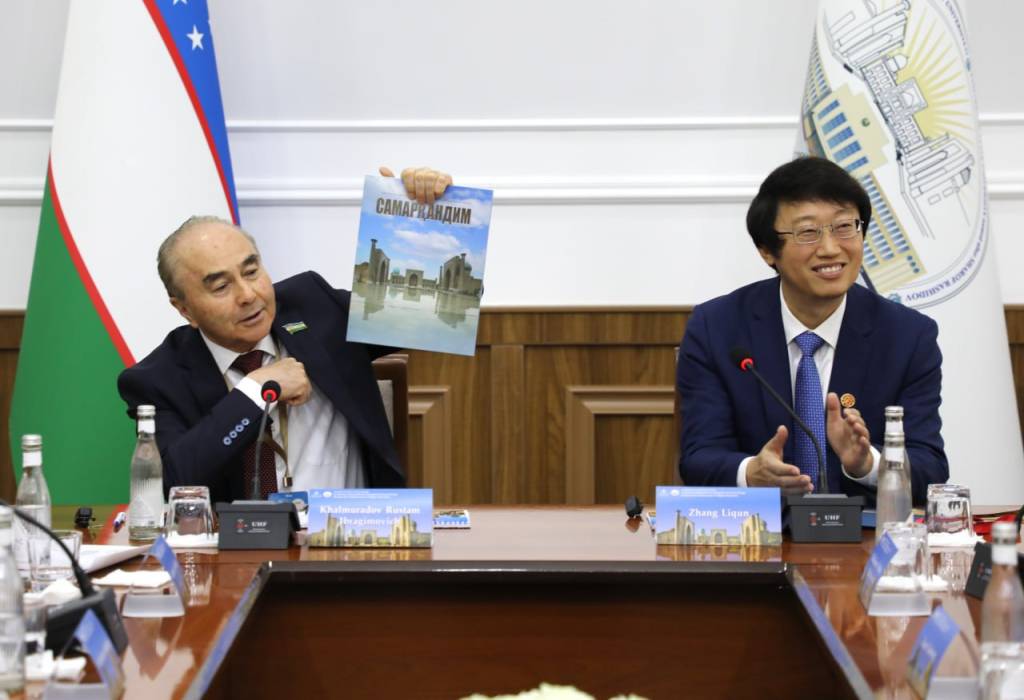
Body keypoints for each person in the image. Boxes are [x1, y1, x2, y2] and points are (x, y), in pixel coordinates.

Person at [118, 166, 452, 502]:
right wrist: (256, 391)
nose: (248, 295)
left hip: (353, 529)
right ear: (184, 309)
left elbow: (434, 317)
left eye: (252, 271)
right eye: (221, 287)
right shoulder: (158, 380)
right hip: (237, 537)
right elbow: (170, 482)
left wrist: (425, 218)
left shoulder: (315, 306)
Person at [676, 156, 947, 505]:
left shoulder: (907, 337)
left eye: (845, 227)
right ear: (767, 251)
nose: (831, 249)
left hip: (861, 534)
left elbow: (930, 466)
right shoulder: (717, 329)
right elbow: (699, 458)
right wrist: (752, 473)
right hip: (759, 531)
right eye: (807, 233)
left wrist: (868, 464)